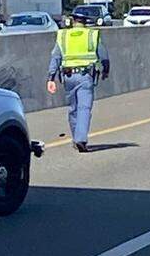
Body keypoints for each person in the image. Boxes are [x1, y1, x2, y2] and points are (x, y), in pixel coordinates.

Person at [47, 13, 110, 153]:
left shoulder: (63, 36)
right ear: (85, 22)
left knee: (73, 109)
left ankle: (76, 137)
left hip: (68, 76)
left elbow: (56, 57)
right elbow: (103, 55)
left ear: (73, 21)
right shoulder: (91, 35)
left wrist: (51, 77)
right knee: (84, 108)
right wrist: (106, 70)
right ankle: (80, 139)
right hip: (85, 76)